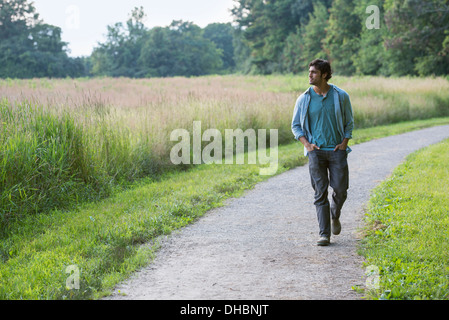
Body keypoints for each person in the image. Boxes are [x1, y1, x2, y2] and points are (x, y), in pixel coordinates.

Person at [291, 59, 354, 246]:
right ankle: (324, 234)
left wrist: (344, 142)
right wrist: (307, 144)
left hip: (337, 151)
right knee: (320, 193)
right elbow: (295, 126)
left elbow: (349, 122)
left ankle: (335, 215)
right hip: (315, 153)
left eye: (314, 72)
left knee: (341, 190)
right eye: (309, 72)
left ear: (324, 75)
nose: (309, 75)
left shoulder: (340, 96)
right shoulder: (304, 98)